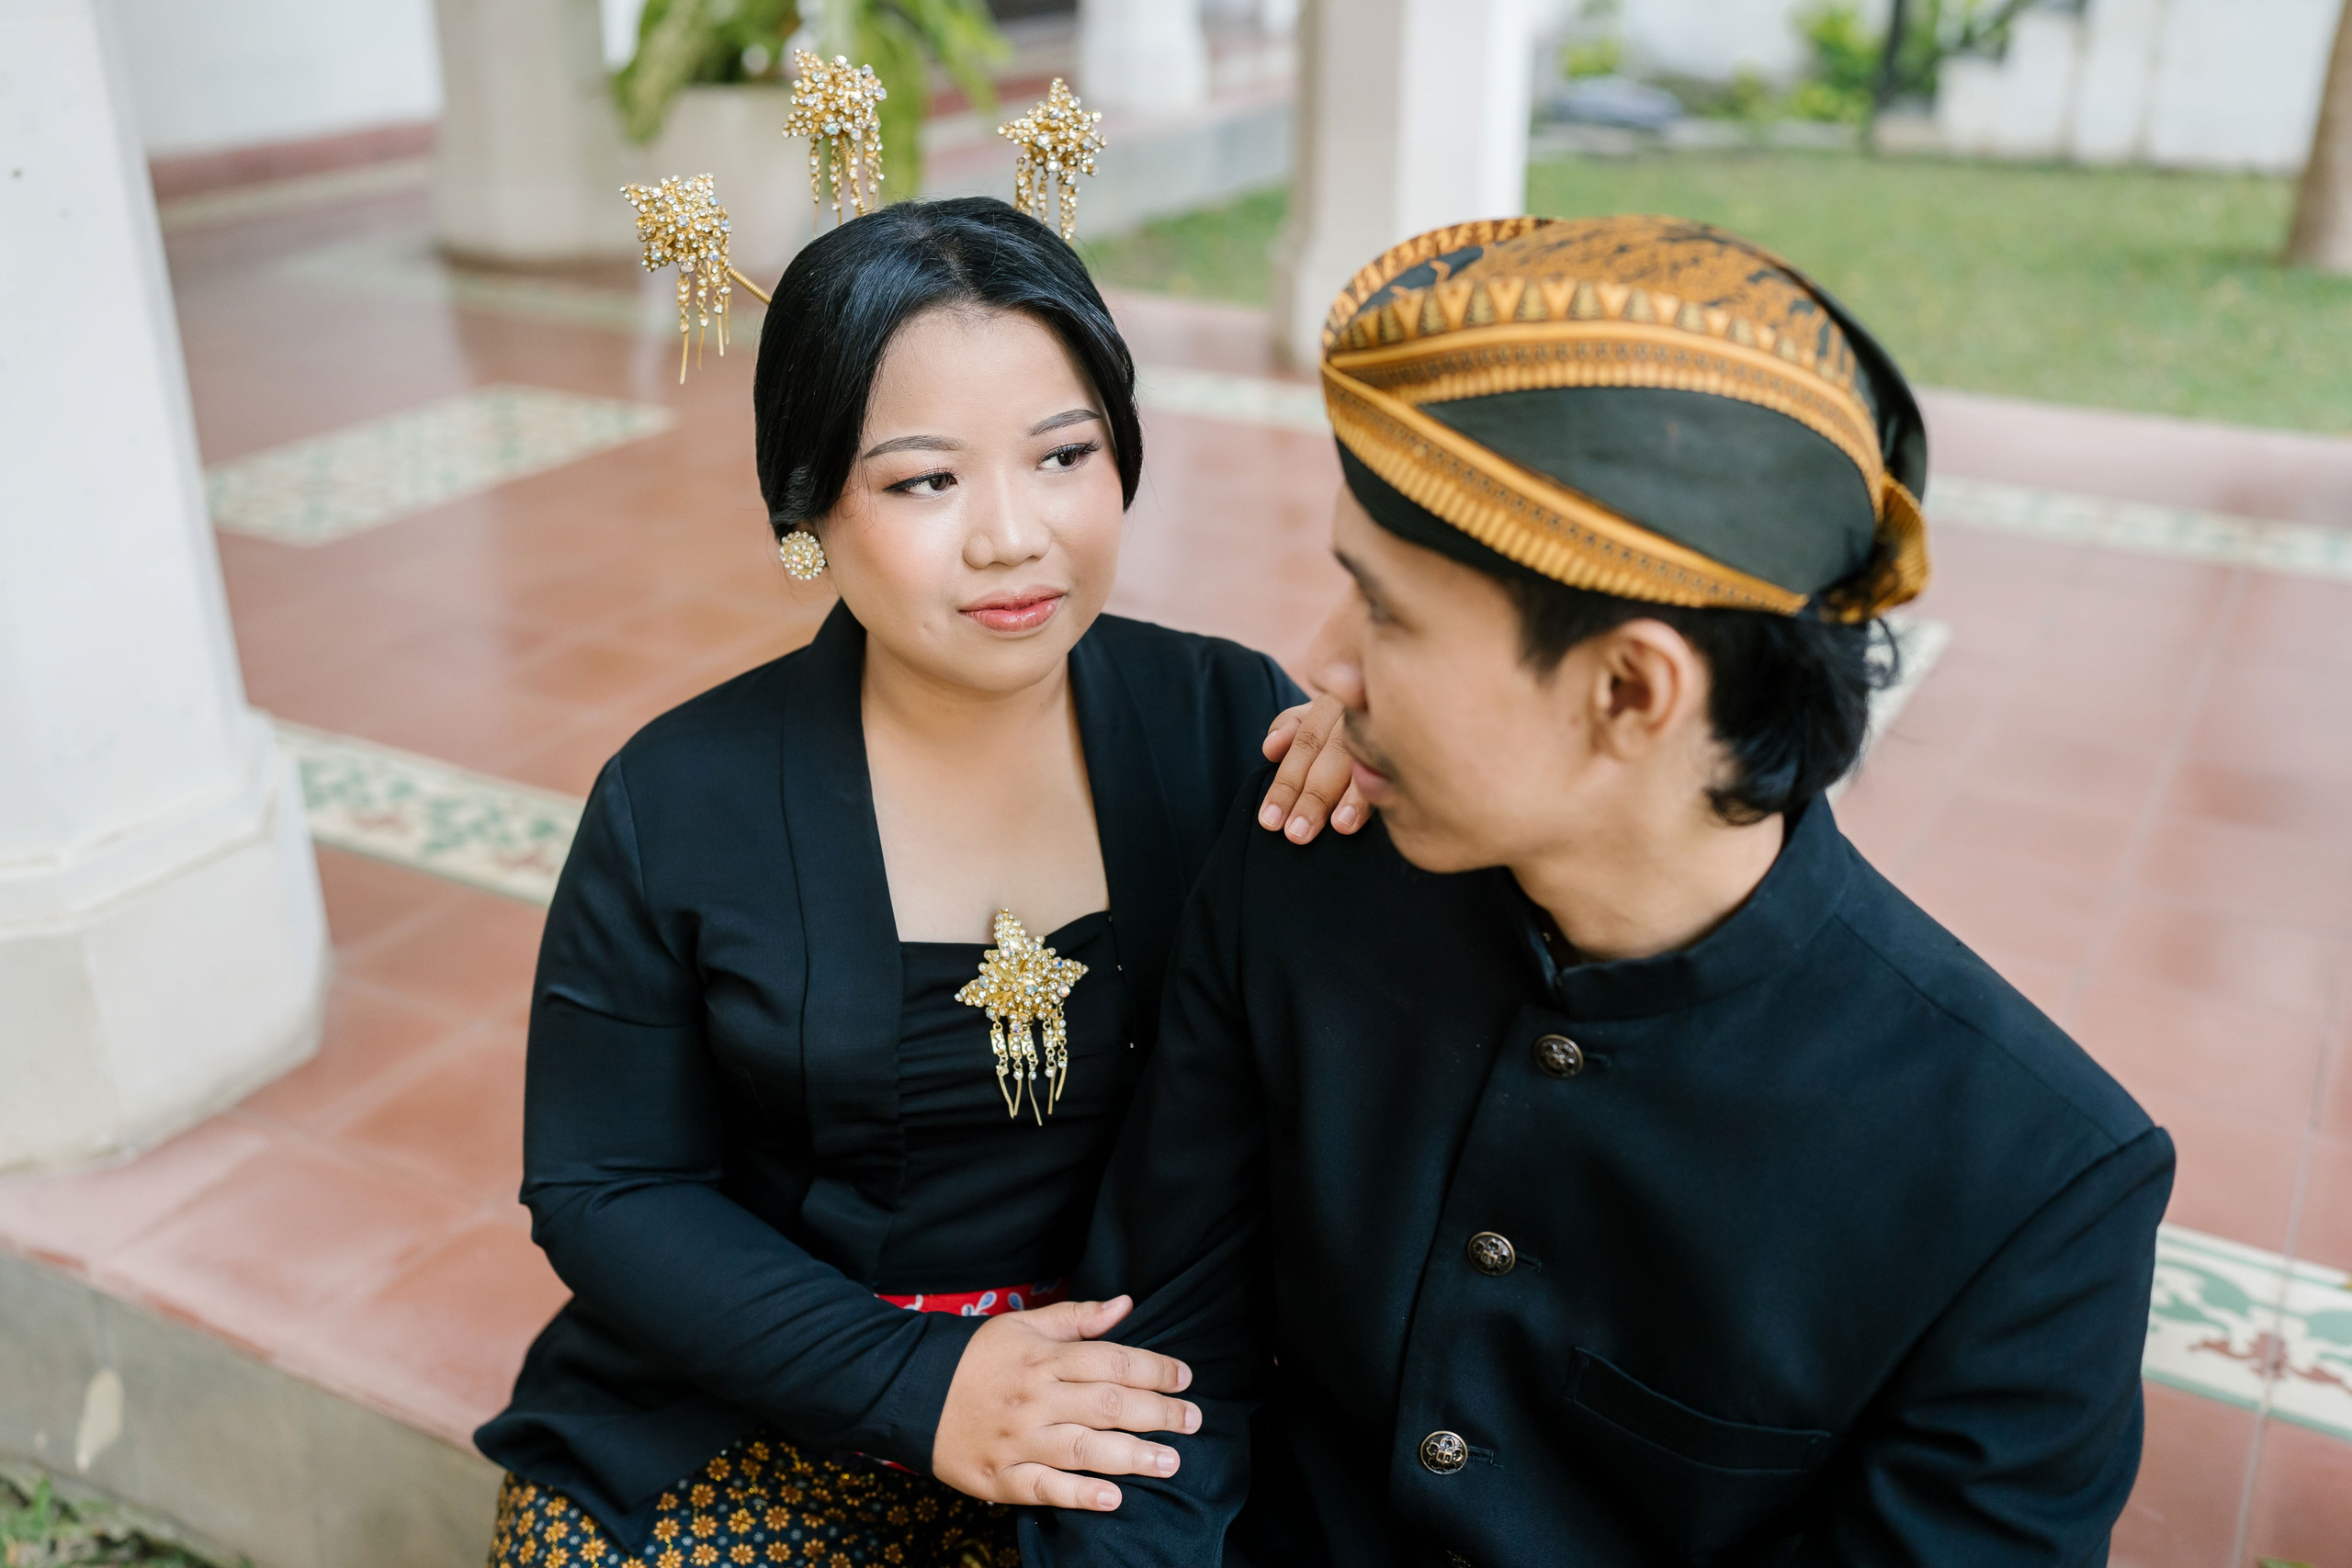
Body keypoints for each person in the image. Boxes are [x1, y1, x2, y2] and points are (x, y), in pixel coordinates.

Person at [1019, 215, 2177, 1566]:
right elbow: (1153, 1394)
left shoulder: (2026, 1188)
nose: (1324, 663)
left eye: (1386, 614)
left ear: (1631, 690)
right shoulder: (1299, 876)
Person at [473, 196, 1368, 1568]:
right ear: (808, 511)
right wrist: (921, 1383)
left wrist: (1393, 780)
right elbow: (608, 1183)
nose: (1013, 536)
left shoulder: (1226, 726)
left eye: (1063, 455)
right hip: (778, 1384)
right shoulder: (677, 800)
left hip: (1145, 1391)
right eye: (924, 481)